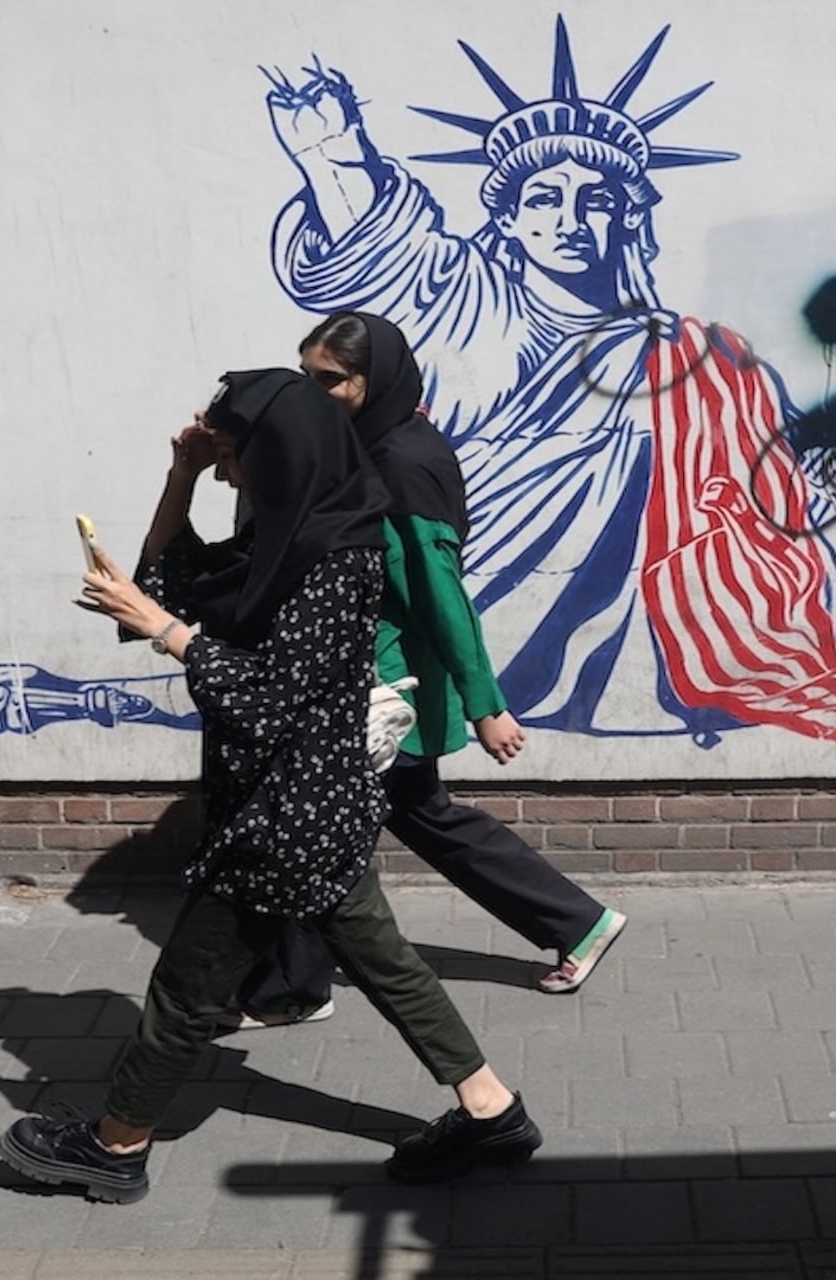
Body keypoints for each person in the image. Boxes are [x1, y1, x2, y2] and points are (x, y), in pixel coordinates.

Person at [261, 22, 836, 745]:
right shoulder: (468, 297)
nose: (570, 220)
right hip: (474, 563)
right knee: (627, 453)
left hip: (657, 597)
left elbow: (775, 476)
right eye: (544, 198)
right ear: (508, 218)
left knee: (694, 470)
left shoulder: (701, 355)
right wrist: (334, 157)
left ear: (627, 216)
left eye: (596, 200)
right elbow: (387, 240)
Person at [0, 369, 540, 1203]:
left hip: (284, 811)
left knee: (187, 991)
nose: (225, 474)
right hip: (315, 800)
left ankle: (114, 1147)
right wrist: (179, 477)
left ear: (282, 451)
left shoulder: (339, 554)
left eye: (231, 455)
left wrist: (164, 631)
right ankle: (491, 1109)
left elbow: (268, 695)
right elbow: (173, 580)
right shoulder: (289, 532)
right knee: (388, 963)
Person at [231, 313, 627, 1023]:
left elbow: (440, 588)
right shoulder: (367, 440)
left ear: (374, 380)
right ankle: (575, 921)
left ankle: (294, 988)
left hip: (385, 684)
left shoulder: (401, 461)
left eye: (331, 380)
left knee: (309, 823)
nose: (314, 393)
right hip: (363, 676)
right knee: (404, 816)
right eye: (306, 376)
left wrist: (485, 702)